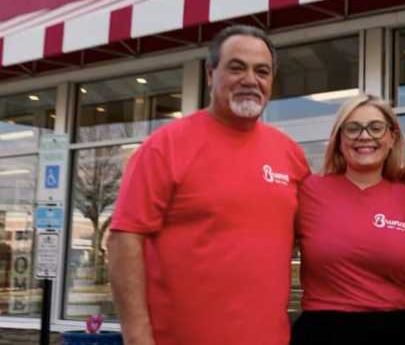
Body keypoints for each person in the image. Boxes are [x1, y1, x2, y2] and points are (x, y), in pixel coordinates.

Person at [107, 25, 310, 345]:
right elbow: (124, 240)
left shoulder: (290, 155)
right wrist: (137, 336)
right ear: (210, 73)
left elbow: (316, 237)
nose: (250, 80)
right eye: (236, 67)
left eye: (262, 71)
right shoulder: (165, 146)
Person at [292, 94, 405, 345]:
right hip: (324, 332)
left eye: (376, 128)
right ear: (339, 139)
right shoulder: (308, 191)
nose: (364, 136)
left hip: (401, 332)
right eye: (352, 128)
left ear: (392, 137)